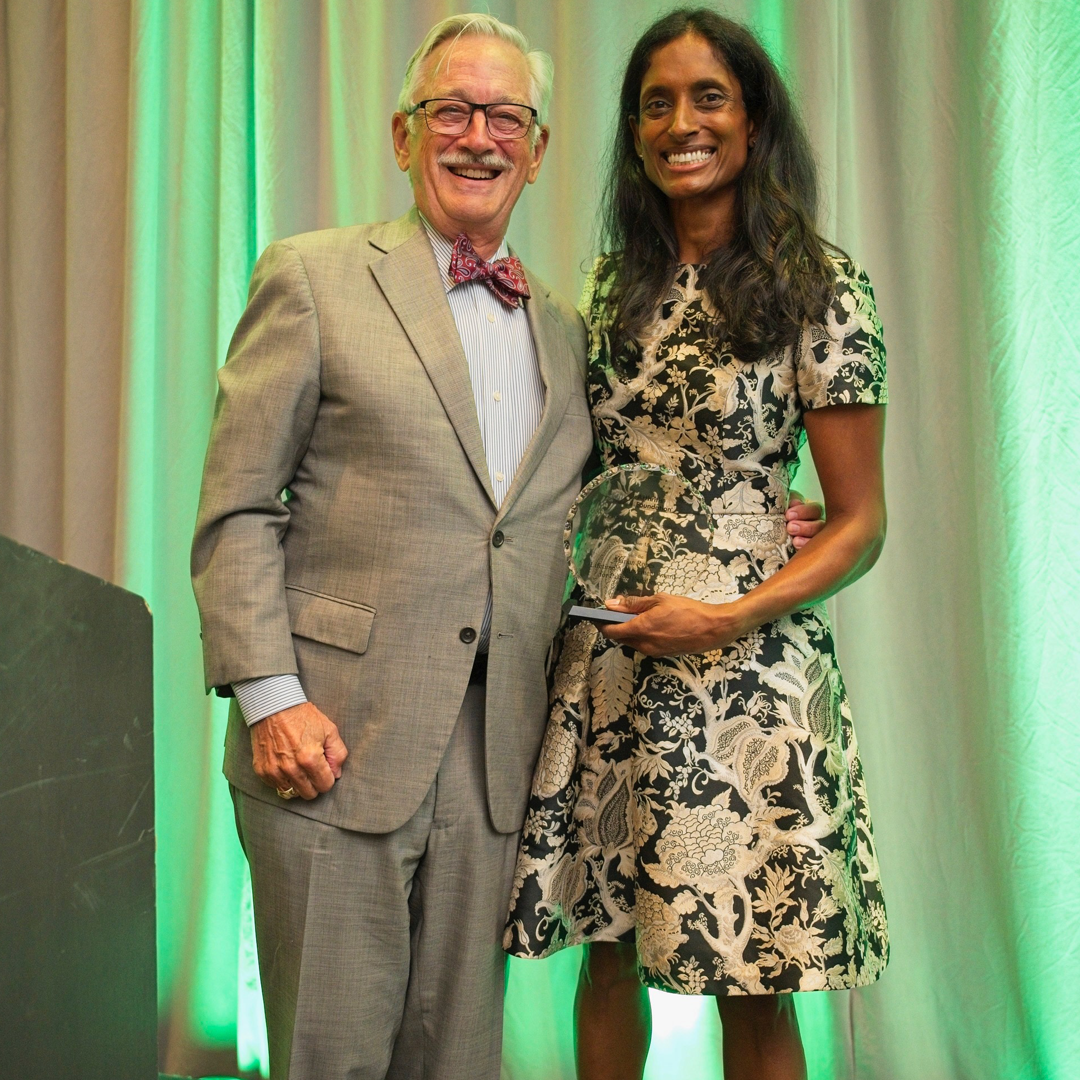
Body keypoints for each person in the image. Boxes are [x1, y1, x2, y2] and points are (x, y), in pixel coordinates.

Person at [190, 14, 595, 1080]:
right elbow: (239, 505)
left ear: (537, 149)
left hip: (496, 757)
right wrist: (270, 698)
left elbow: (581, 517)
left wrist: (760, 520)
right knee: (328, 1056)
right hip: (330, 740)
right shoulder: (312, 277)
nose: (478, 136)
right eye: (451, 110)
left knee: (458, 1060)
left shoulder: (566, 332)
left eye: (505, 116)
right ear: (403, 134)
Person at [505, 10, 889, 1080]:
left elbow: (860, 522)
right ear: (635, 135)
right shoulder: (604, 289)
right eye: (657, 103)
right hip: (611, 658)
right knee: (606, 956)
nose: (682, 122)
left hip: (748, 674)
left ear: (754, 121)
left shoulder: (822, 286)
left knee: (752, 977)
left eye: (708, 97)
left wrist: (726, 610)